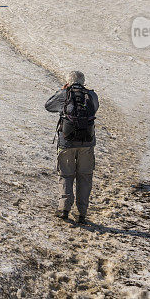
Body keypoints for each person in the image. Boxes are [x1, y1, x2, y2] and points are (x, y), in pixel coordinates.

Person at [45, 71, 99, 224]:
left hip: (66, 142)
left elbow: (48, 106)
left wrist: (62, 91)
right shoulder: (91, 95)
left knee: (66, 175)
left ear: (68, 82)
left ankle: (64, 209)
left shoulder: (65, 93)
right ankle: (82, 213)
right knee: (85, 176)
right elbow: (95, 109)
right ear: (83, 82)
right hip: (87, 143)